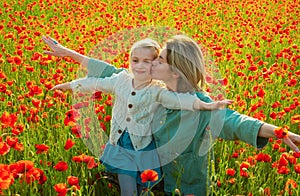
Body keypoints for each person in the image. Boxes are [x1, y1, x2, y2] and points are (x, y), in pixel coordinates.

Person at [42, 35, 300, 195]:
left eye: (159, 60)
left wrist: (279, 132)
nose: (151, 63)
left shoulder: (199, 104)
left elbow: (236, 121)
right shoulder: (155, 90)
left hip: (184, 186)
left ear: (175, 71)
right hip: (155, 178)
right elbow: (111, 72)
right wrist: (67, 53)